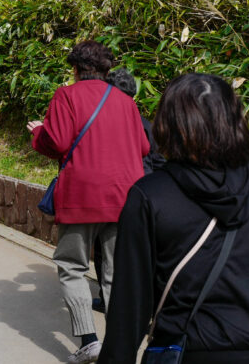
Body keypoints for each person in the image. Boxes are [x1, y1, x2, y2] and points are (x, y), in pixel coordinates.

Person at [99, 73, 249, 364]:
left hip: (208, 350)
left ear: (168, 124)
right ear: (236, 120)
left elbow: (130, 307)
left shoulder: (151, 196)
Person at [29, 41, 150, 364]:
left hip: (82, 195)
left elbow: (57, 141)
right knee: (114, 273)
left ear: (75, 68)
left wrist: (38, 132)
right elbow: (143, 147)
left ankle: (89, 340)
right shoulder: (126, 101)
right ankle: (120, 346)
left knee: (72, 266)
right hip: (125, 194)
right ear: (107, 69)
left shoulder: (66, 96)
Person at [91, 67, 166, 314]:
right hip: (145, 197)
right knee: (141, 252)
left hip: (113, 196)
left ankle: (106, 297)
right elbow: (159, 163)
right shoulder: (147, 126)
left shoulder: (104, 124)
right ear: (134, 94)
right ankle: (144, 302)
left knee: (105, 249)